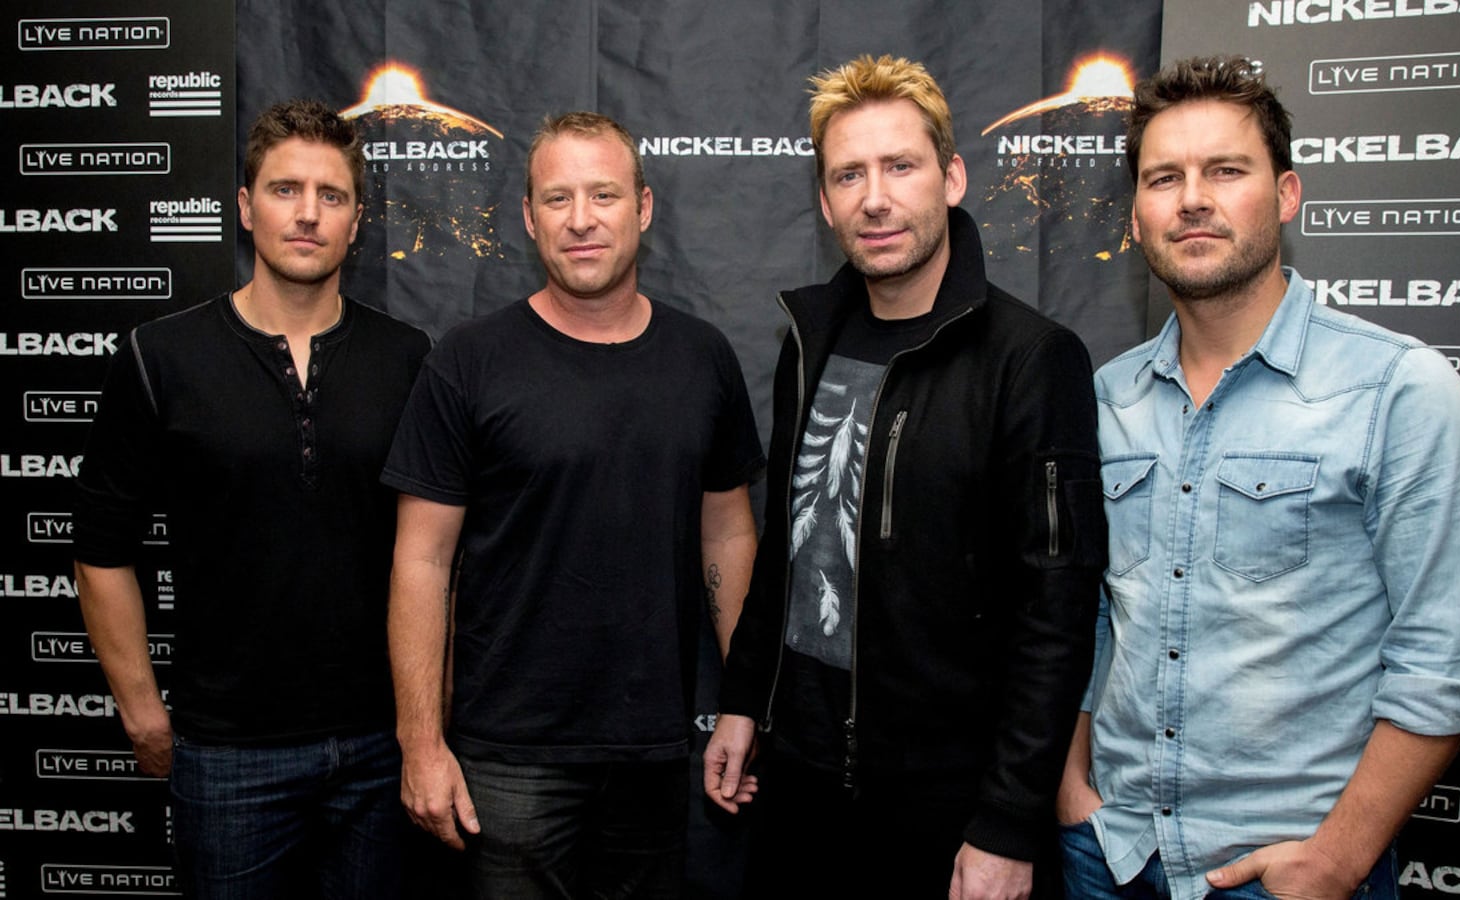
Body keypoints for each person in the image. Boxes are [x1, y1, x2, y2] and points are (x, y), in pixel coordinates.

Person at [1055, 55, 1460, 900]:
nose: (1193, 197)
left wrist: (1338, 857)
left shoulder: (1399, 392)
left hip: (1284, 872)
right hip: (1108, 856)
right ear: (1138, 213)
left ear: (1287, 195)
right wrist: (1074, 785)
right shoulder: (1105, 399)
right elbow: (1094, 618)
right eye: (1164, 178)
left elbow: (1449, 662)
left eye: (1225, 170)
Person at [703, 54, 1106, 900]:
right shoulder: (809, 343)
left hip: (948, 807)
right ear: (823, 200)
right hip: (803, 785)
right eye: (848, 174)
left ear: (951, 177)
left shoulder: (1031, 360)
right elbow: (792, 544)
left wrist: (1004, 821)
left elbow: (1057, 612)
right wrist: (745, 699)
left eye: (900, 166)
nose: (874, 197)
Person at [383, 111, 764, 899]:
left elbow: (726, 531)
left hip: (651, 751)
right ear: (528, 218)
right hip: (507, 757)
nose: (582, 220)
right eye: (558, 199)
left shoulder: (702, 358)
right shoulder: (469, 360)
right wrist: (421, 743)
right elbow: (422, 560)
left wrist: (746, 701)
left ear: (644, 207)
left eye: (604, 195)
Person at [73, 99, 432, 898]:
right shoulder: (160, 357)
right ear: (245, 206)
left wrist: (423, 728)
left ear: (356, 220)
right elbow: (101, 548)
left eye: (331, 196)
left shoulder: (408, 358)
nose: (307, 214)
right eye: (284, 189)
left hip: (381, 748)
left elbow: (439, 554)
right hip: (228, 753)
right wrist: (140, 711)